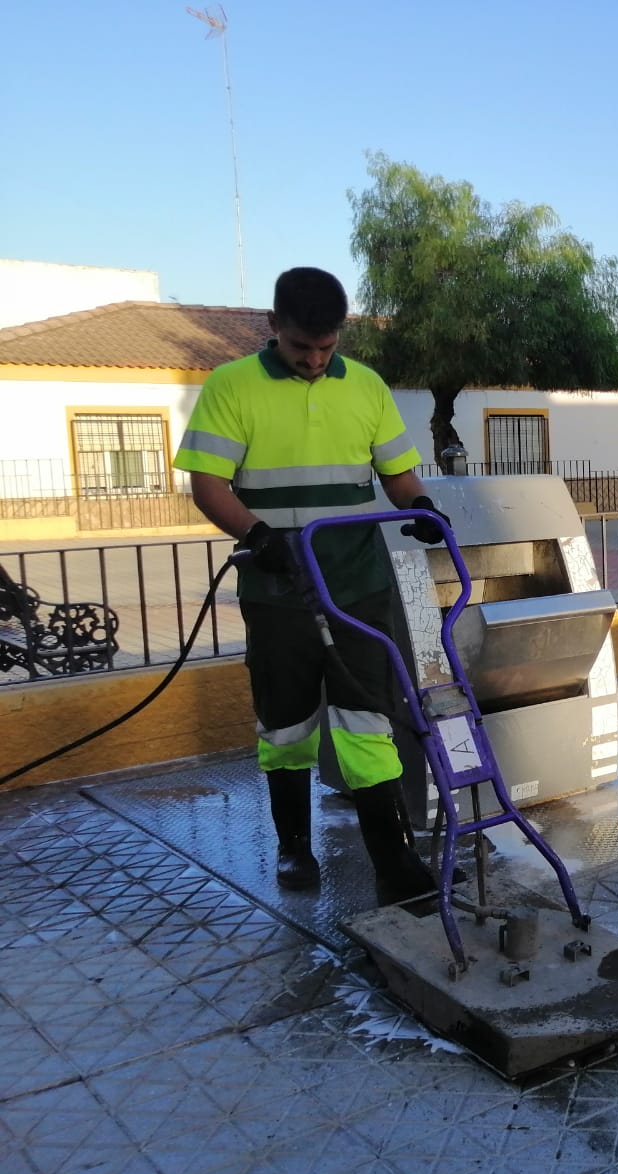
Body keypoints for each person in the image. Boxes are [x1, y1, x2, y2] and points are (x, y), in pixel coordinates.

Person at [174, 266, 447, 899]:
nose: (315, 361)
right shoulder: (231, 386)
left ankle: (393, 862)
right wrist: (257, 535)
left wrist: (422, 508)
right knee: (287, 725)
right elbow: (208, 484)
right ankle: (295, 846)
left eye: (328, 348)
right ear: (274, 327)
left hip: (356, 585)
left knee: (366, 719)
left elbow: (398, 474)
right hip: (278, 592)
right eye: (302, 348)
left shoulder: (367, 387)